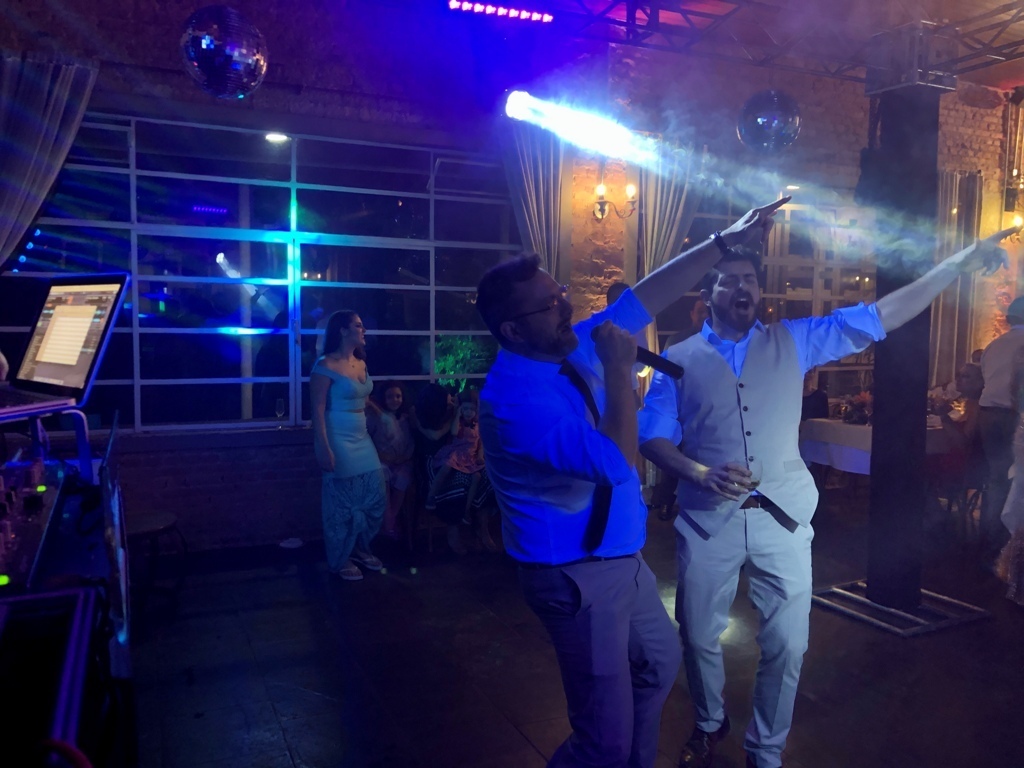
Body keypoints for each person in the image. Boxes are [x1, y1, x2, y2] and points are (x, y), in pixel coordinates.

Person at [638, 226, 1016, 768]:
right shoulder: (678, 358)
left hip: (783, 518)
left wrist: (953, 266)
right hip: (706, 522)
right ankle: (708, 719)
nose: (743, 288)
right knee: (697, 636)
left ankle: (766, 750)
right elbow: (652, 437)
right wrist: (697, 472)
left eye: (750, 280)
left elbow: (883, 315)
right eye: (729, 280)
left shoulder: (794, 339)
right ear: (708, 294)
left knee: (788, 644)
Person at [476, 195, 790, 768]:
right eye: (550, 304)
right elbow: (615, 462)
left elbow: (644, 297)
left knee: (658, 664)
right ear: (512, 330)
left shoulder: (564, 347)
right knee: (601, 737)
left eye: (560, 294)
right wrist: (621, 372)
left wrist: (724, 240)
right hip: (573, 574)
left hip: (622, 559)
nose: (566, 306)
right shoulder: (513, 401)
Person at [309, 310, 386, 581]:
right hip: (337, 436)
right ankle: (341, 556)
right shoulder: (325, 365)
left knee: (375, 493)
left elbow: (362, 398)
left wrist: (382, 416)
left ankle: (360, 547)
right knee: (341, 500)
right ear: (342, 330)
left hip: (361, 436)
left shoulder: (361, 363)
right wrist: (323, 446)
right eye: (358, 325)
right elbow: (317, 409)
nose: (363, 330)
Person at [978, 297, 1024, 569]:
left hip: (987, 414)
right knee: (1015, 478)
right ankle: (1008, 546)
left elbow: (986, 378)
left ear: (1008, 319)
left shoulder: (994, 345)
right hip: (1012, 416)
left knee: (996, 478)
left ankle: (989, 539)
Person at [425, 388, 486, 521]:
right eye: (465, 409)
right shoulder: (459, 423)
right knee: (447, 466)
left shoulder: (478, 425)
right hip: (456, 453)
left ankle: (466, 510)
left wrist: (480, 456)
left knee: (477, 477)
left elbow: (480, 443)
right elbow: (453, 432)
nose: (468, 412)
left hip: (470, 457)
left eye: (472, 409)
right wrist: (457, 414)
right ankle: (431, 495)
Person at [367, 381, 415, 540]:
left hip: (402, 460)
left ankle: (390, 520)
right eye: (390, 397)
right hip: (381, 460)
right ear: (384, 398)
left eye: (398, 396)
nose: (395, 400)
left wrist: (404, 457)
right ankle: (390, 521)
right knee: (382, 475)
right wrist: (379, 455)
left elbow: (411, 442)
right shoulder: (376, 418)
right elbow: (367, 439)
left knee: (403, 478)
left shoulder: (406, 419)